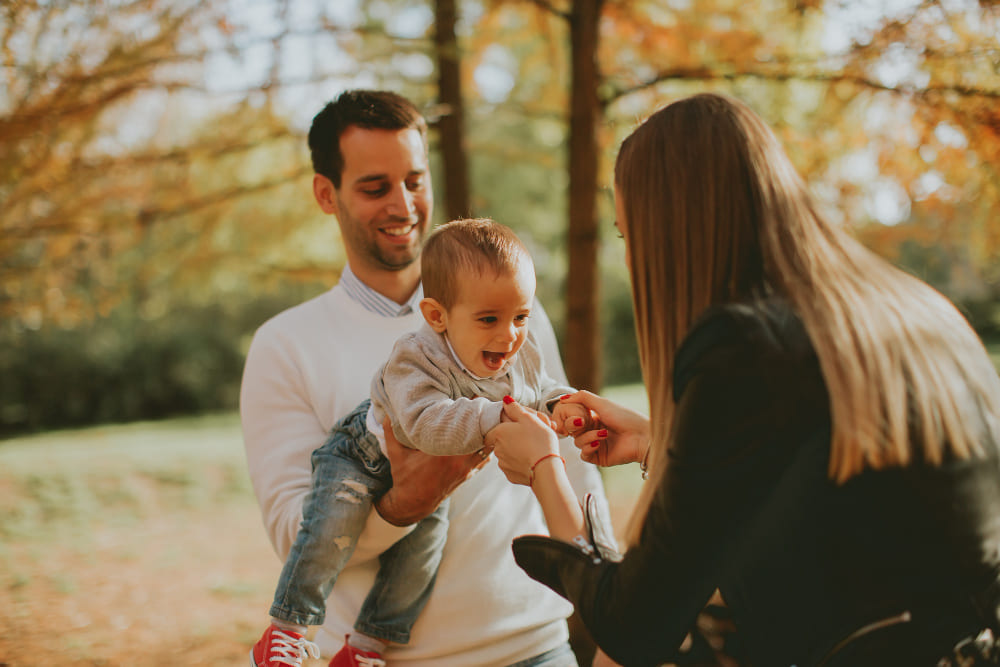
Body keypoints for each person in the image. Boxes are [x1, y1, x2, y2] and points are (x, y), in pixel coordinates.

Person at [487, 92, 1000, 666]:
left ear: (671, 235)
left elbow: (636, 627)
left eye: (630, 238)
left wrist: (544, 469)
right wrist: (663, 443)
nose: (631, 262)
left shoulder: (743, 346)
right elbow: (850, 505)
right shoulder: (911, 309)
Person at [240, 89, 610, 667]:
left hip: (538, 647)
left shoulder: (513, 312)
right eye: (374, 186)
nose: (403, 204)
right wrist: (403, 503)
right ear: (325, 193)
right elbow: (296, 533)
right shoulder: (284, 347)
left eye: (415, 179)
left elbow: (574, 459)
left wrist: (607, 588)